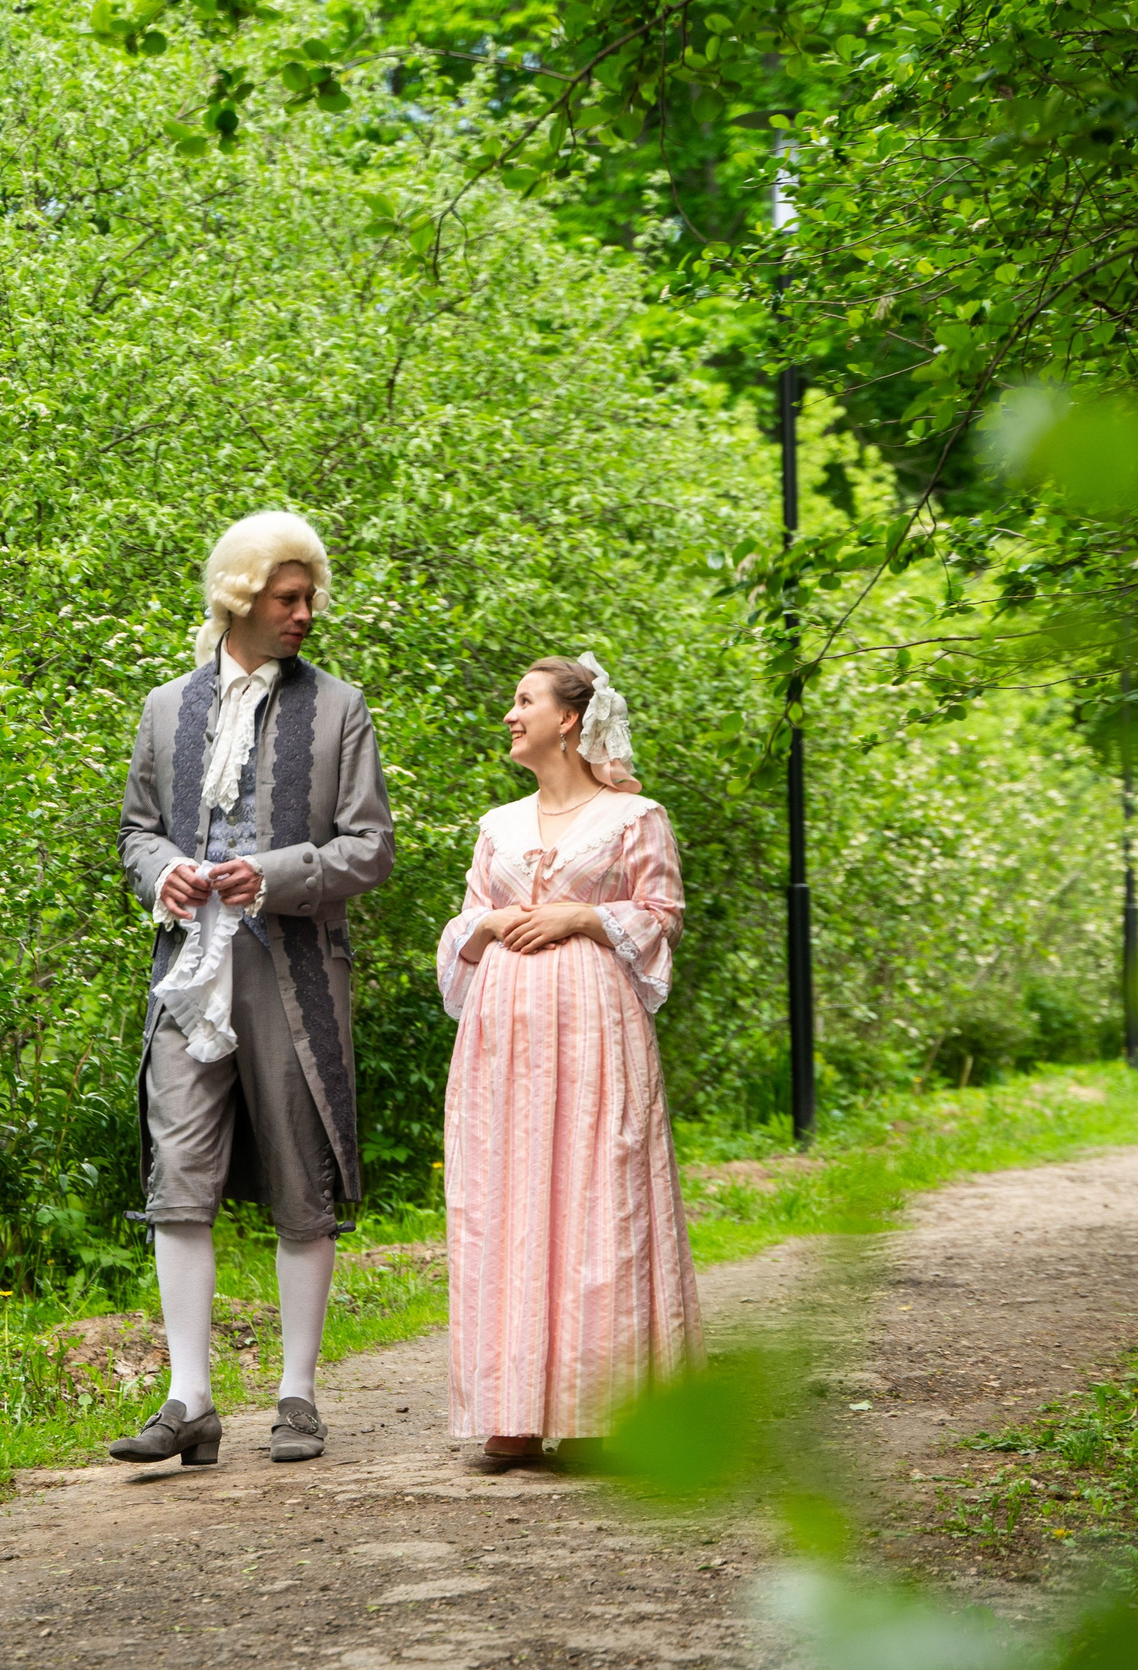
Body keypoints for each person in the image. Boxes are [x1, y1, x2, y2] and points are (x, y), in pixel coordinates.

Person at [110, 511, 395, 1467]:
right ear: (241, 598)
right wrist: (163, 873)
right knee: (178, 1176)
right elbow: (136, 831)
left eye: (309, 596)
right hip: (186, 973)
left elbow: (371, 848)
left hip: (294, 971)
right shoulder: (165, 708)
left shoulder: (340, 708)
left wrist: (269, 873)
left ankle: (296, 1395)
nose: (305, 612)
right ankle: (189, 1400)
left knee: (303, 1178)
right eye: (287, 597)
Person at [436, 654, 702, 1462]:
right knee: (504, 1196)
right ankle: (512, 1409)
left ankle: (599, 1408)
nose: (510, 714)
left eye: (525, 700)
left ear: (569, 718)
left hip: (593, 1027)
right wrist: (486, 926)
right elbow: (466, 921)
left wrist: (582, 916)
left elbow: (663, 913)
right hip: (502, 1035)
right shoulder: (499, 825)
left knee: (596, 1192)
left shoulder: (635, 816)